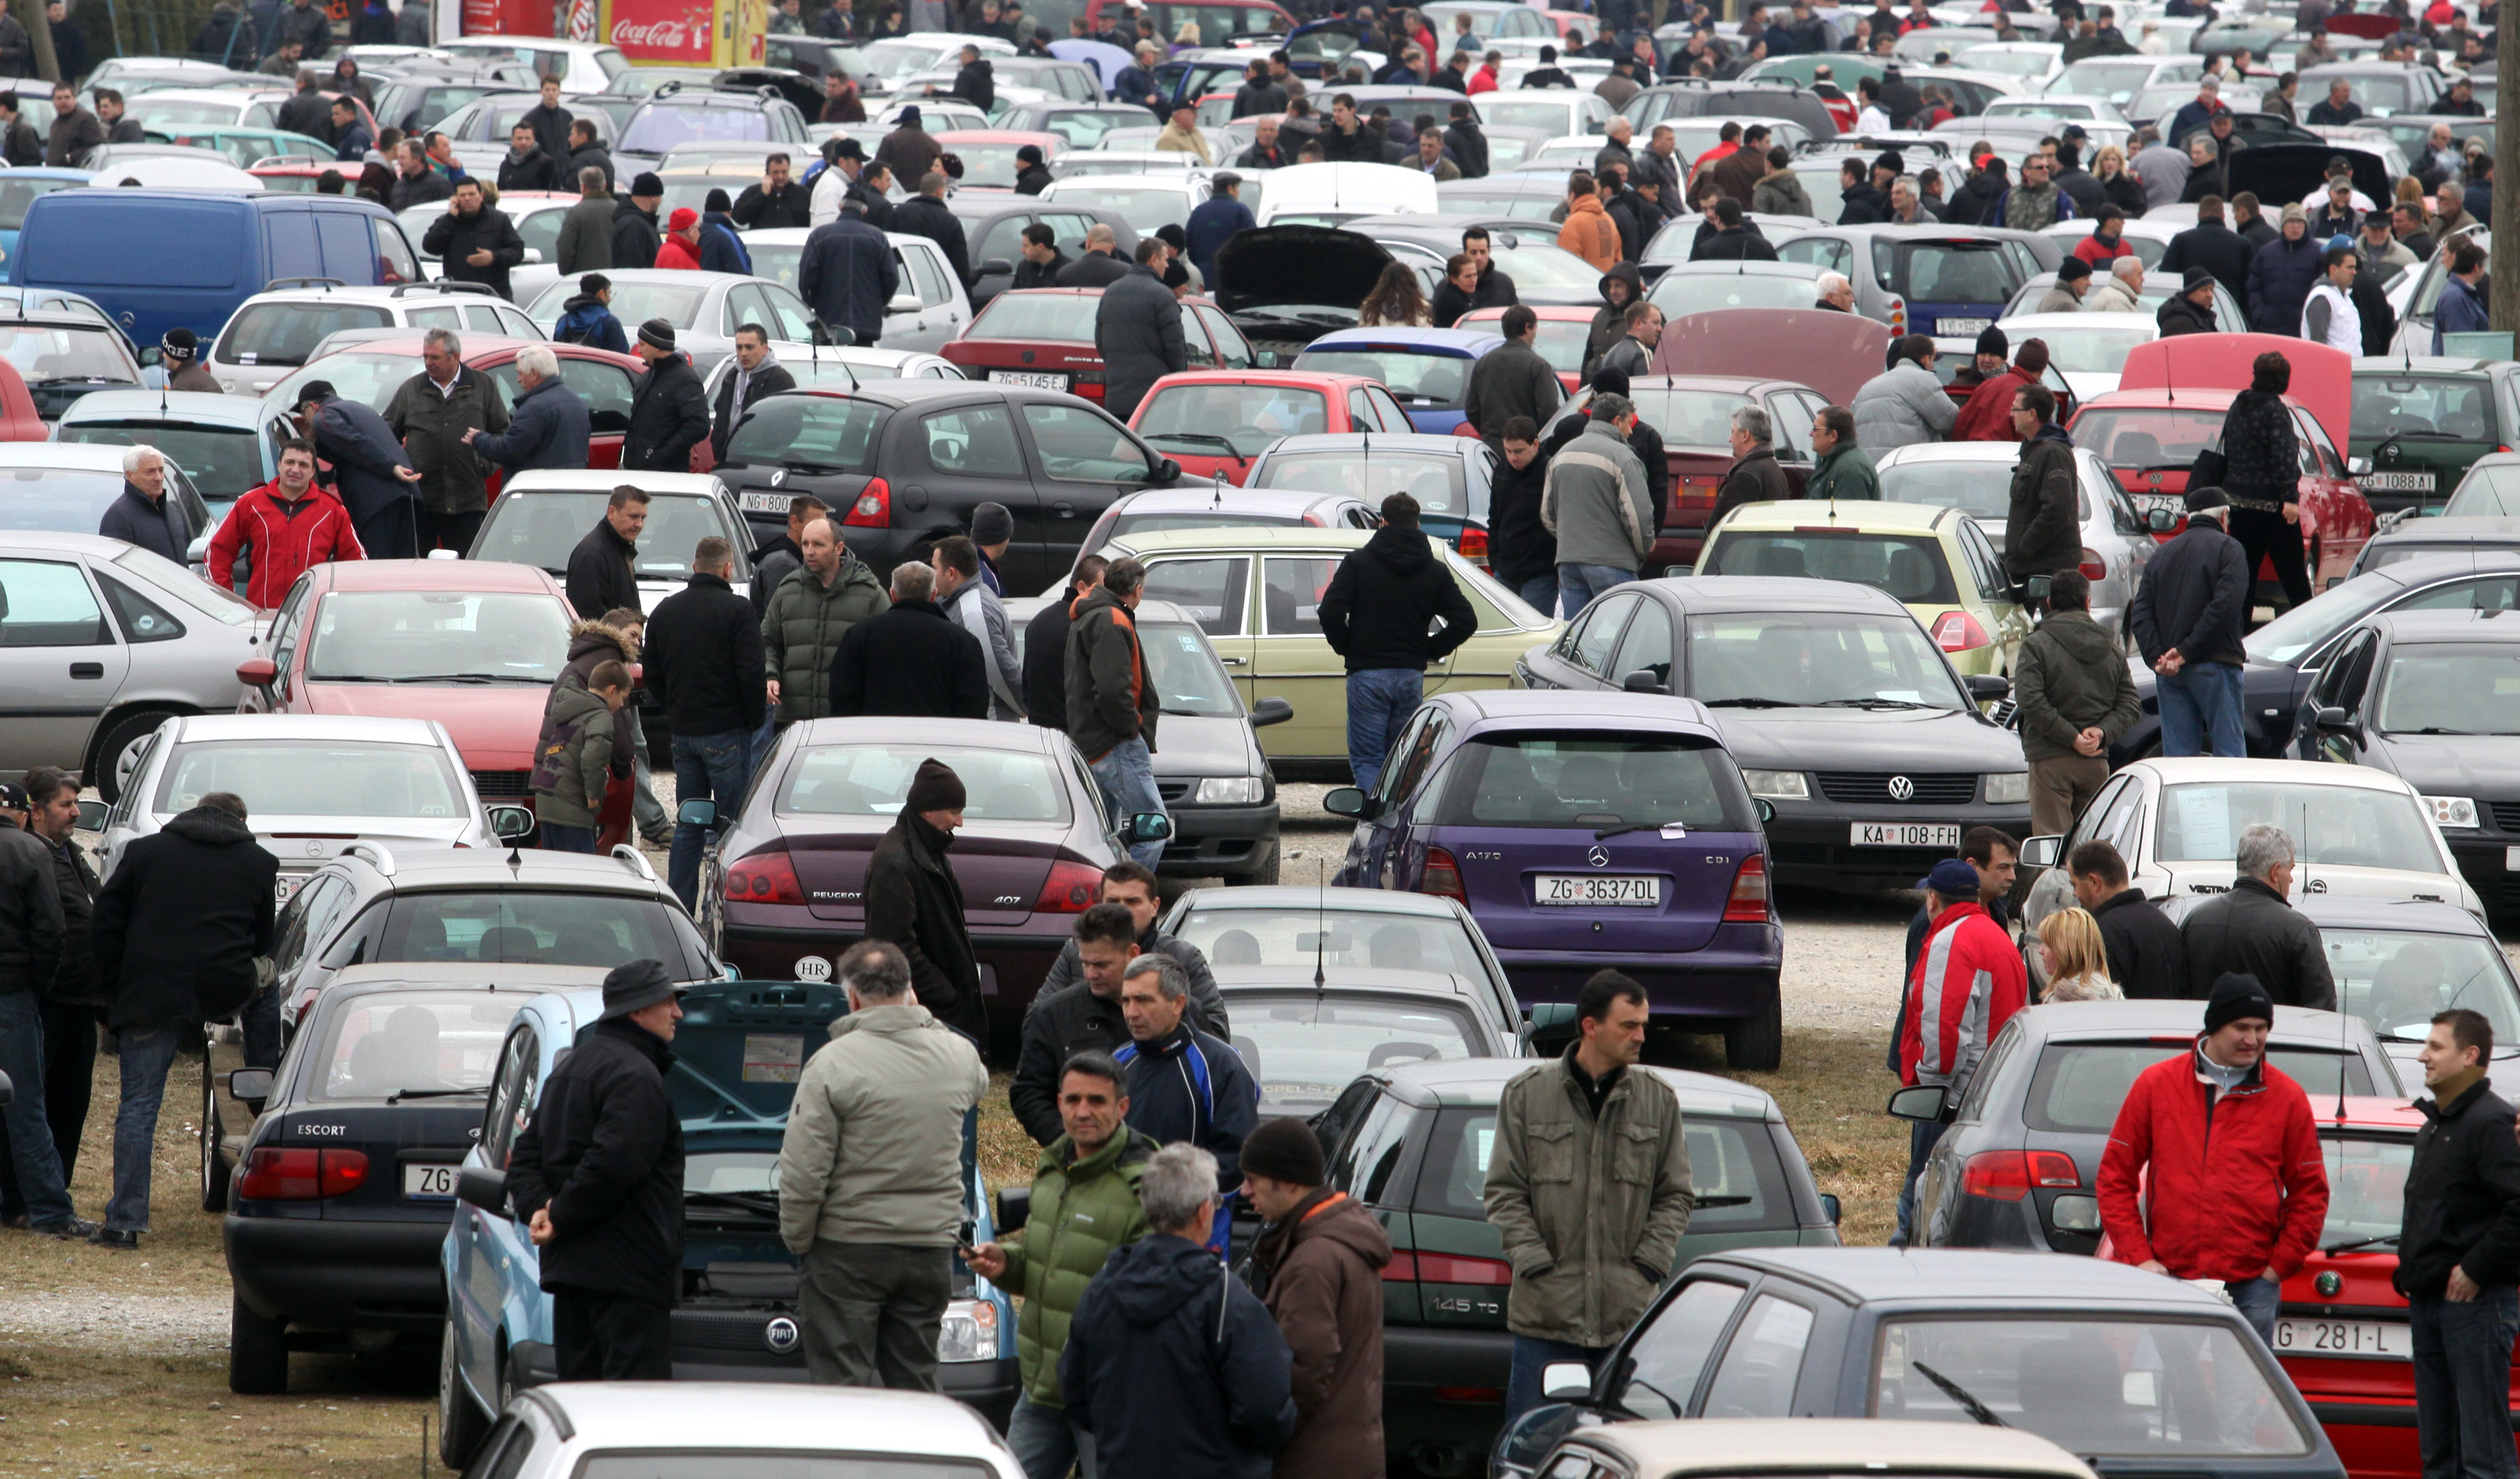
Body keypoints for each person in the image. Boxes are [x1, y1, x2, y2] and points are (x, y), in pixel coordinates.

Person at [777, 936, 988, 1391]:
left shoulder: (830, 1065)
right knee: (917, 1380)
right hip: (929, 1246)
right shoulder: (959, 1056)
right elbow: (979, 1084)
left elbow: (804, 1171)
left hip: (848, 1248)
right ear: (911, 990)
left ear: (852, 997)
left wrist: (799, 1239)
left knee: (841, 1388)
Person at [1486, 970, 1691, 1420]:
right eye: (1628, 1025)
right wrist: (1535, 1262)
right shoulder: (1527, 1096)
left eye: (1643, 1025)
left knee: (1623, 1447)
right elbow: (1504, 1191)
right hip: (1546, 1322)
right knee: (1539, 1444)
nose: (1641, 1036)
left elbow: (1675, 1195)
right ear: (1590, 1026)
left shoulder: (1658, 1101)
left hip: (1627, 1323)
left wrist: (1648, 1264)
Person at [2097, 971, 2327, 1345]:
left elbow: (2311, 1193)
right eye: (2241, 1027)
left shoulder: (2287, 1098)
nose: (2253, 1039)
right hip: (2172, 1278)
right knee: (2178, 1379)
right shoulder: (2156, 1085)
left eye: (2261, 1028)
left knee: (2244, 1383)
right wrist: (2141, 1258)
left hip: (2253, 1285)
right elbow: (2114, 1179)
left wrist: (2277, 1267)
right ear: (2215, 1026)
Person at [89, 790, 276, 1249]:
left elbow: (107, 924)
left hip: (152, 991)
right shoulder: (259, 862)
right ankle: (265, 1081)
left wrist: (110, 995)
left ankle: (125, 1222)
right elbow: (261, 939)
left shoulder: (144, 852)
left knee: (138, 1107)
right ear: (241, 821)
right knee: (268, 983)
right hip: (225, 986)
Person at [1058, 1142, 1297, 1479]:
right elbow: (1267, 1411)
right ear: (1204, 1212)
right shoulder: (1226, 1299)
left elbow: (1073, 1388)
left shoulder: (1103, 1288)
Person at [972, 1047, 1157, 1479]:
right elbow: (1053, 1265)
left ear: (1122, 1107)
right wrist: (1007, 1264)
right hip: (1042, 1389)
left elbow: (1153, 1296)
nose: (1083, 1111)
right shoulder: (1053, 1167)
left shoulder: (1146, 1185)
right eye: (1073, 1100)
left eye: (1097, 1100)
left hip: (1107, 1397)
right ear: (1059, 1103)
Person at [504, 960, 687, 1377]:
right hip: (628, 1279)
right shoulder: (637, 1076)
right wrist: (557, 1214)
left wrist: (539, 1208)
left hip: (572, 1276)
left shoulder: (571, 1068)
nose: (678, 1012)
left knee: (580, 1399)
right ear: (637, 1010)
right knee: (632, 1407)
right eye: (668, 1002)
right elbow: (615, 1164)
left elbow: (525, 1153)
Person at [2398, 1008, 2520, 1479]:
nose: (2422, 1056)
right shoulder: (2436, 1123)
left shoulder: (2491, 1123)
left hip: (2476, 1306)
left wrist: (2475, 1269)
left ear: (2470, 1056)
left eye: (2435, 1047)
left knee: (2484, 1457)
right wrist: (2411, 1269)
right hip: (2430, 1300)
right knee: (2439, 1455)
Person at [1242, 1116, 1394, 1476]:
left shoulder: (1312, 1261)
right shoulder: (1341, 1236)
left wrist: (1257, 1438)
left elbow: (1302, 1374)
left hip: (1314, 1461)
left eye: (1252, 1180)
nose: (1245, 1192)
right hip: (1351, 1453)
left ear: (1287, 1181)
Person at [1013, 894, 1224, 1146]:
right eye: (1085, 964)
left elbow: (1213, 1085)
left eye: (1101, 965)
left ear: (1133, 953)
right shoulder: (1055, 1015)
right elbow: (1028, 1093)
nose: (1090, 974)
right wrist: (1074, 1144)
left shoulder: (1179, 1012)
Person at [1893, 856, 2028, 1246]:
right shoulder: (1996, 937)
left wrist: (1931, 1089)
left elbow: (1945, 1029)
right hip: (1990, 1090)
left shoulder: (1951, 941)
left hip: (1953, 1098)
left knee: (1924, 1193)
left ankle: (1904, 1256)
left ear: (1932, 899)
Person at [1320, 491, 1477, 792]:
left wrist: (1348, 647)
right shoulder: (1434, 569)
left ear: (1382, 522)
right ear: (1417, 524)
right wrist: (1429, 650)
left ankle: (1374, 816)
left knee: (1368, 760)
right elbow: (1465, 620)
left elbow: (1330, 612)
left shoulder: (1358, 563)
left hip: (1366, 674)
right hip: (1409, 675)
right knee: (1403, 761)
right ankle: (1400, 816)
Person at [645, 536, 766, 907]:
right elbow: (751, 672)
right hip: (727, 730)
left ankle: (680, 905)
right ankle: (726, 905)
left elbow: (652, 673)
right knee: (731, 825)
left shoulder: (665, 611)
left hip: (684, 732)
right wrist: (753, 720)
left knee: (690, 822)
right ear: (728, 569)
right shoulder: (738, 611)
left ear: (695, 567)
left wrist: (673, 709)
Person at [863, 758, 993, 1047]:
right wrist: (948, 997)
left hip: (933, 1014)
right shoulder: (895, 864)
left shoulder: (926, 850)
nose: (960, 822)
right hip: (924, 1017)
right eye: (954, 812)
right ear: (928, 810)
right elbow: (894, 950)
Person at [0, 776, 76, 1239]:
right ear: (23, 814)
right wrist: (41, 982)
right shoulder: (30, 852)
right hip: (12, 993)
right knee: (25, 1104)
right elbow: (51, 928)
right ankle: (48, 1211)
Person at [1116, 952, 1257, 1189]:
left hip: (1189, 1209)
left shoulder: (1221, 1066)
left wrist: (1172, 1196)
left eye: (1143, 1000)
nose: (1131, 1012)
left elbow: (1236, 1162)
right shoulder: (1119, 1060)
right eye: (1126, 1001)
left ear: (1178, 1004)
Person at [2013, 568, 2139, 836]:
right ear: (2087, 602)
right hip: (2095, 761)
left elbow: (2029, 699)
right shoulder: (2112, 648)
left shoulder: (2036, 645)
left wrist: (2071, 737)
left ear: (2050, 602)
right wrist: (2102, 732)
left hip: (2049, 759)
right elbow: (2130, 704)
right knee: (2092, 842)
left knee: (2052, 843)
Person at [2131, 487, 2250, 757]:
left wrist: (2158, 658)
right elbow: (2225, 607)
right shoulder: (2229, 549)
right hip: (2216, 666)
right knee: (2230, 755)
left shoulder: (2162, 554)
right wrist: (2186, 651)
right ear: (2224, 516)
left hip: (2170, 672)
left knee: (2178, 759)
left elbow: (2141, 613)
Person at [1066, 556, 1167, 866]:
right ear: (1137, 589)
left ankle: (1105, 893)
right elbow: (1112, 690)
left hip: (1094, 741)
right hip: (1115, 743)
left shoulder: (1093, 614)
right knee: (1154, 829)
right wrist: (1131, 729)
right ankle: (1128, 894)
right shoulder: (1112, 619)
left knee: (1105, 837)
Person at [2181, 823, 2336, 1008]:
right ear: (2275, 872)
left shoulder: (2194, 920)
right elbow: (2321, 1010)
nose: (2291, 879)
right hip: (2277, 1027)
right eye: (2290, 869)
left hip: (2199, 1026)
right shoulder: (2296, 930)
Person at [386, 327, 508, 554]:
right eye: (425, 357)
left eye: (435, 357)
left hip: (467, 501)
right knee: (418, 567)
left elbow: (502, 433)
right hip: (422, 500)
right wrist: (397, 466)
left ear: (455, 357)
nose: (428, 363)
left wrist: (483, 465)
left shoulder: (482, 386)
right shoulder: (412, 390)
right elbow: (386, 434)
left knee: (465, 568)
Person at [207, 438, 364, 610]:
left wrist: (336, 608)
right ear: (279, 465)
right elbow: (217, 551)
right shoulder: (250, 503)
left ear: (312, 471)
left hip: (311, 617)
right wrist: (228, 602)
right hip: (260, 615)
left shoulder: (332, 511)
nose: (295, 470)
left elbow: (355, 566)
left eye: (303, 465)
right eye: (290, 462)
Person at [763, 517, 887, 726]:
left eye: (818, 545)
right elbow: (767, 641)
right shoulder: (788, 590)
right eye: (805, 544)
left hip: (846, 721)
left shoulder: (870, 594)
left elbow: (886, 653)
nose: (809, 551)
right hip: (793, 720)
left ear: (839, 548)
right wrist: (770, 676)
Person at [1541, 391, 1653, 619]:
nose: (1631, 430)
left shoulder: (1561, 455)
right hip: (1612, 562)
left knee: (1577, 632)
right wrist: (1641, 552)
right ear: (1617, 421)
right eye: (1629, 423)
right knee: (1621, 632)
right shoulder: (1623, 457)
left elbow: (1547, 514)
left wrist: (1569, 539)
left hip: (1569, 561)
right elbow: (1638, 517)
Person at [829, 561, 990, 719]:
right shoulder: (961, 641)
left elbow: (842, 696)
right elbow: (973, 705)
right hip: (938, 734)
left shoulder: (859, 635)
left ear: (893, 594)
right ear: (933, 595)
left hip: (875, 732)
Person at [2221, 351, 2310, 615]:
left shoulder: (2238, 405)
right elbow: (2283, 458)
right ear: (2283, 380)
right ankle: (2310, 629)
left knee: (2244, 577)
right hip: (2272, 508)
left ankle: (2239, 633)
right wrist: (2290, 499)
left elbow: (2230, 448)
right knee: (2294, 578)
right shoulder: (2275, 410)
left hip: (2238, 505)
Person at [2067, 839, 2187, 999]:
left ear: (2094, 882)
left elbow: (2097, 1000)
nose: (2075, 893)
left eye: (2075, 885)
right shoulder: (2166, 923)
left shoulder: (2098, 933)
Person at [532, 658, 629, 853]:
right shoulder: (600, 716)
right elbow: (593, 759)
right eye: (623, 697)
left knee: (554, 867)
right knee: (582, 868)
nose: (621, 704)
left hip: (547, 802)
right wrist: (593, 797)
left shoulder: (570, 709)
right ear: (612, 691)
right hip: (572, 808)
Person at [933, 535, 1025, 722]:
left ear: (951, 573)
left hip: (990, 721)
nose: (931, 574)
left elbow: (1000, 671)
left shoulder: (973, 612)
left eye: (935, 568)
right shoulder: (970, 600)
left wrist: (1023, 706)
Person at [1094, 239, 1186, 419]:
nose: (1167, 265)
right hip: (1154, 399)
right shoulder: (1162, 295)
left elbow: (1100, 342)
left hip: (1116, 396)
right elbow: (1175, 347)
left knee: (1124, 438)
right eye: (1165, 259)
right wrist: (1178, 378)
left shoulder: (1111, 292)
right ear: (1153, 259)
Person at [2005, 384, 2081, 587]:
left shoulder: (2053, 453)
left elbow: (2057, 510)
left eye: (2015, 409)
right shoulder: (2033, 449)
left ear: (2031, 414)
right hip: (2029, 568)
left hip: (2046, 570)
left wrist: (2024, 547)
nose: (2011, 414)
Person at [798, 197, 899, 349]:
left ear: (840, 206)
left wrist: (812, 303)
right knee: (863, 361)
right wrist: (876, 303)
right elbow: (892, 279)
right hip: (866, 324)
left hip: (829, 322)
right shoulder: (877, 237)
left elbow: (806, 277)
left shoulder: (820, 236)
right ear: (864, 211)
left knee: (830, 361)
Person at [1464, 306, 1562, 453]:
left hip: (1492, 449)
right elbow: (1548, 413)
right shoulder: (1537, 365)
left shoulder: (1484, 362)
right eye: (1535, 329)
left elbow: (1472, 409)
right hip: (1526, 451)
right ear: (1527, 327)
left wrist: (1491, 434)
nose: (1535, 335)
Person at [1022, 555, 1100, 734]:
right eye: (1103, 590)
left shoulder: (1039, 620)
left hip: (1039, 730)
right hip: (1075, 734)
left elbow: (1026, 684)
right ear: (1082, 588)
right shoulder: (1084, 625)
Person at [623, 320, 710, 473]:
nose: (639, 350)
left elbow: (699, 425)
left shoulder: (685, 379)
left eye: (642, 344)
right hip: (636, 469)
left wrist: (662, 455)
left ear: (657, 346)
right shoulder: (647, 377)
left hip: (667, 473)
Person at [425, 179, 527, 300]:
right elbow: (430, 246)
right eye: (462, 195)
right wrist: (450, 218)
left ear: (481, 196)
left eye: (472, 194)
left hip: (494, 296)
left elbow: (517, 251)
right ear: (455, 199)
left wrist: (493, 257)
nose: (467, 198)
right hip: (458, 297)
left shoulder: (499, 220)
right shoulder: (447, 221)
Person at [708, 324, 796, 463]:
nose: (743, 353)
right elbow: (721, 413)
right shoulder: (732, 376)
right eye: (739, 347)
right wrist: (718, 443)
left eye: (749, 347)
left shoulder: (779, 379)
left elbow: (792, 424)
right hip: (728, 457)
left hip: (762, 460)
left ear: (764, 349)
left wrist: (764, 448)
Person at [1852, 333, 1956, 449]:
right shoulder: (1923, 379)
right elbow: (1949, 420)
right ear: (1925, 360)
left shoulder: (1866, 388)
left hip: (1870, 459)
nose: (1932, 366)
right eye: (1932, 360)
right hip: (1906, 458)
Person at [97, 445, 191, 565]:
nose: (159, 478)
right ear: (130, 475)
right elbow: (113, 568)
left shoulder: (173, 512)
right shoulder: (119, 517)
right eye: (150, 472)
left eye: (161, 470)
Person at [566, 485, 646, 621]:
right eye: (633, 517)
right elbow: (589, 619)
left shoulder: (620, 548)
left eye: (642, 518)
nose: (639, 524)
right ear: (612, 512)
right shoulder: (591, 556)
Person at [1950, 333, 2047, 442]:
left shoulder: (1987, 385)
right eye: (1982, 353)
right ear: (2042, 370)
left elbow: (1960, 425)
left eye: (1992, 355)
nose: (1986, 359)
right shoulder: (2031, 396)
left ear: (2015, 361)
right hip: (2006, 451)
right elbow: (2031, 439)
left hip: (1973, 449)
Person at [2037, 907, 2122, 1002]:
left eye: (2047, 944)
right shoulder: (2114, 994)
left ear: (2064, 951)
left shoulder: (2058, 1001)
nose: (2040, 950)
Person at [1803, 403, 1878, 500]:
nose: (1811, 434)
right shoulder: (1832, 462)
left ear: (1833, 436)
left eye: (1815, 429)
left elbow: (1848, 509)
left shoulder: (1850, 469)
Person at [2301, 240, 2361, 353]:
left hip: (2352, 363)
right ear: (2333, 269)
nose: (2354, 272)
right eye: (2349, 268)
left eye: (2355, 268)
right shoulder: (2322, 297)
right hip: (2332, 363)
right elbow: (2317, 344)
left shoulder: (2345, 297)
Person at [2433, 240, 2491, 353]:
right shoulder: (2456, 298)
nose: (2484, 271)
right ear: (2476, 267)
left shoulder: (2463, 294)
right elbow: (2462, 346)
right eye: (2483, 266)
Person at [733, 151, 814, 230]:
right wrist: (763, 195)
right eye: (775, 173)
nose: (780, 177)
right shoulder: (753, 192)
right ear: (767, 173)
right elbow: (739, 218)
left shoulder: (803, 194)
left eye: (784, 172)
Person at [552, 273, 630, 354]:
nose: (610, 298)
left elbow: (555, 353)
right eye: (609, 293)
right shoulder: (610, 322)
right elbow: (621, 355)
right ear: (602, 293)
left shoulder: (563, 321)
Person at [1593, 300, 1660, 380]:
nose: (1660, 329)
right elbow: (1647, 386)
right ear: (1639, 323)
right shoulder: (1642, 353)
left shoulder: (1609, 355)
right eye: (1655, 322)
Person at [611, 172, 664, 269]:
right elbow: (633, 267)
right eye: (660, 196)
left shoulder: (641, 222)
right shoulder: (634, 226)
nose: (661, 200)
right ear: (653, 198)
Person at [43, 80, 100, 167]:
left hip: (75, 172)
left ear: (74, 99)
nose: (63, 101)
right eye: (59, 98)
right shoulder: (55, 124)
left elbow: (96, 147)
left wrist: (71, 157)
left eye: (67, 97)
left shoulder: (85, 119)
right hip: (54, 172)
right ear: (53, 101)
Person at [496, 120, 558, 193]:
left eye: (527, 138)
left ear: (534, 139)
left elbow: (554, 193)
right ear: (512, 140)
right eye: (519, 138)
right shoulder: (505, 165)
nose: (523, 142)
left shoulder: (546, 163)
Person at [2157, 267, 2220, 337]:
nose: (2209, 295)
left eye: (2211, 290)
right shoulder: (2179, 323)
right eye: (2203, 290)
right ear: (2190, 292)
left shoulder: (2204, 318)